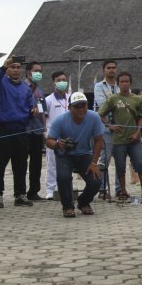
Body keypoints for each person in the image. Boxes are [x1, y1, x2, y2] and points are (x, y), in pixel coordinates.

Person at [46, 92, 104, 218]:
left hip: (84, 154)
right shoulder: (60, 120)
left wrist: (94, 163)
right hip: (65, 155)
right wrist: (57, 144)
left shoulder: (94, 117)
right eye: (76, 106)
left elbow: (99, 140)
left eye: (83, 106)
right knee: (63, 177)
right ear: (69, 107)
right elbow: (48, 141)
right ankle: (67, 206)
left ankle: (83, 202)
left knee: (96, 180)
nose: (80, 109)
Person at [98, 71, 142, 202]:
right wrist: (110, 126)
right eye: (121, 82)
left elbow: (141, 117)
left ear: (130, 83)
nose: (124, 84)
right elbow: (100, 114)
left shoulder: (137, 99)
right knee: (120, 166)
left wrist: (138, 132)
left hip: (134, 139)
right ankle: (123, 191)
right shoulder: (113, 99)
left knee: (140, 164)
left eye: (126, 81)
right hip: (118, 139)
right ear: (118, 84)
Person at [0, 55, 36, 208]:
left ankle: (20, 195)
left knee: (21, 164)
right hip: (4, 129)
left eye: (18, 67)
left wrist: (33, 109)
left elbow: (31, 105)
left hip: (21, 130)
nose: (16, 70)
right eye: (13, 67)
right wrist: (3, 67)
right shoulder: (1, 83)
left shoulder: (25, 88)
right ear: (8, 69)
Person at [93, 59, 119, 197]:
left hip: (121, 128)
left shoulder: (122, 85)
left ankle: (119, 189)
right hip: (106, 127)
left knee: (120, 161)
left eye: (114, 67)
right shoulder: (99, 86)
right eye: (109, 67)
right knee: (104, 160)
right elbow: (103, 105)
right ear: (104, 70)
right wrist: (120, 103)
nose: (111, 70)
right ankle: (102, 189)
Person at [44, 71, 70, 199]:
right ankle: (50, 189)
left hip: (68, 137)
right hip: (53, 138)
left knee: (68, 164)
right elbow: (44, 117)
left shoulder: (70, 98)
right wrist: (45, 134)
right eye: (59, 80)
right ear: (53, 82)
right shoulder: (48, 100)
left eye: (64, 79)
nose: (62, 82)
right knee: (52, 164)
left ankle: (66, 188)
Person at [24, 61, 47, 201]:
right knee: (20, 163)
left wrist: (44, 129)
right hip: (23, 130)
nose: (38, 73)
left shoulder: (40, 91)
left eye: (40, 71)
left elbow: (43, 112)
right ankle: (19, 192)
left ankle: (33, 191)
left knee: (36, 163)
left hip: (37, 131)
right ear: (28, 73)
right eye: (36, 71)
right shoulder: (21, 88)